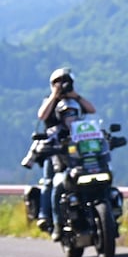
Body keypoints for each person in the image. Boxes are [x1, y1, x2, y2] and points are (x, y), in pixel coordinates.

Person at [34, 67, 96, 232]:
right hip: (53, 147)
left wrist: (75, 96)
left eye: (65, 82)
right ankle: (46, 217)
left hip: (77, 146)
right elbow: (41, 115)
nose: (62, 85)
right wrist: (54, 96)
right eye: (58, 82)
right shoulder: (49, 100)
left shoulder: (75, 101)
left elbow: (91, 109)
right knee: (49, 182)